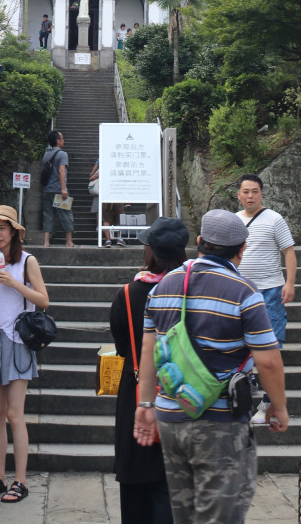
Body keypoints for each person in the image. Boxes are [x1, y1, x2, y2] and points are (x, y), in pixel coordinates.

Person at [135, 209, 288, 524]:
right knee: (220, 516)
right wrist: (279, 407)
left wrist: (146, 404)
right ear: (241, 250)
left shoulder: (160, 288)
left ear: (200, 242)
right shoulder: (244, 292)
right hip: (219, 424)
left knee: (184, 515)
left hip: (170, 416)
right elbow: (268, 361)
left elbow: (148, 349)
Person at [109, 217, 189, 524]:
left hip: (138, 392)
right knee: (171, 487)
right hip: (183, 392)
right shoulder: (190, 290)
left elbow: (122, 346)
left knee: (136, 485)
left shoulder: (128, 294)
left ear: (150, 252)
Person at [0, 205, 49, 505]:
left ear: (13, 232)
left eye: (2, 228)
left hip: (19, 341)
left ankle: (20, 480)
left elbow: (44, 301)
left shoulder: (27, 261)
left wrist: (15, 283)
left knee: (15, 415)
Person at [235, 172, 296, 422]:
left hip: (270, 291)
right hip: (240, 291)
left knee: (271, 347)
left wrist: (290, 283)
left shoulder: (274, 219)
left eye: (255, 191)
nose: (250, 196)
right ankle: (244, 392)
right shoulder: (234, 221)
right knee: (241, 345)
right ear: (238, 195)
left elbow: (289, 252)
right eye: (246, 191)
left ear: (262, 193)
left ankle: (267, 404)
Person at [41, 130, 75, 248]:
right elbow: (61, 171)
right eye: (62, 138)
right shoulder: (62, 154)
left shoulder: (46, 154)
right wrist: (63, 189)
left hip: (47, 190)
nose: (63, 141)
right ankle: (69, 242)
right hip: (58, 190)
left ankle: (46, 242)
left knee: (48, 215)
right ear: (58, 141)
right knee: (66, 214)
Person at [88, 159, 123, 247]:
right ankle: (118, 238)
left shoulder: (103, 169)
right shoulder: (120, 168)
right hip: (116, 195)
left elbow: (91, 178)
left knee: (107, 218)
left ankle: (109, 240)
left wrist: (94, 174)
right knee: (117, 218)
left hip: (107, 195)